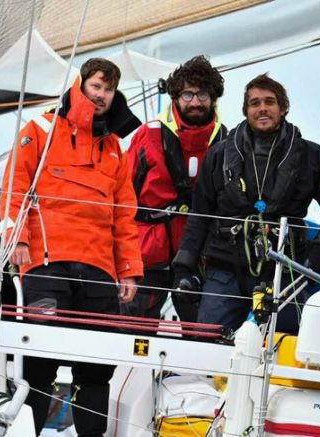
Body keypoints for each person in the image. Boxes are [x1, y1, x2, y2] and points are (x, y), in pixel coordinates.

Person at [0, 58, 143, 437]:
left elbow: (125, 215)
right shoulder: (41, 128)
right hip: (47, 264)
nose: (101, 96)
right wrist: (17, 239)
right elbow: (15, 186)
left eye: (108, 90)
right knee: (39, 362)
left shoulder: (116, 149)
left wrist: (129, 268)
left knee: (96, 367)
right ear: (80, 85)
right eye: (96, 86)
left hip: (99, 270)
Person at [172, 73, 320, 335]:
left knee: (282, 349)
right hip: (224, 270)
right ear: (246, 110)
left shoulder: (314, 157)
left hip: (284, 271)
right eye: (255, 103)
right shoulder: (218, 155)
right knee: (206, 341)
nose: (262, 108)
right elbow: (199, 215)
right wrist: (184, 267)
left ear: (283, 108)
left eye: (270, 102)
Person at [127, 55, 227, 322]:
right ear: (176, 97)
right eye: (188, 94)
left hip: (199, 254)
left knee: (200, 334)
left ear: (214, 98)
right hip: (147, 251)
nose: (195, 102)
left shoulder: (226, 142)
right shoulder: (147, 136)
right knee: (132, 330)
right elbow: (123, 198)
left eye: (203, 94)